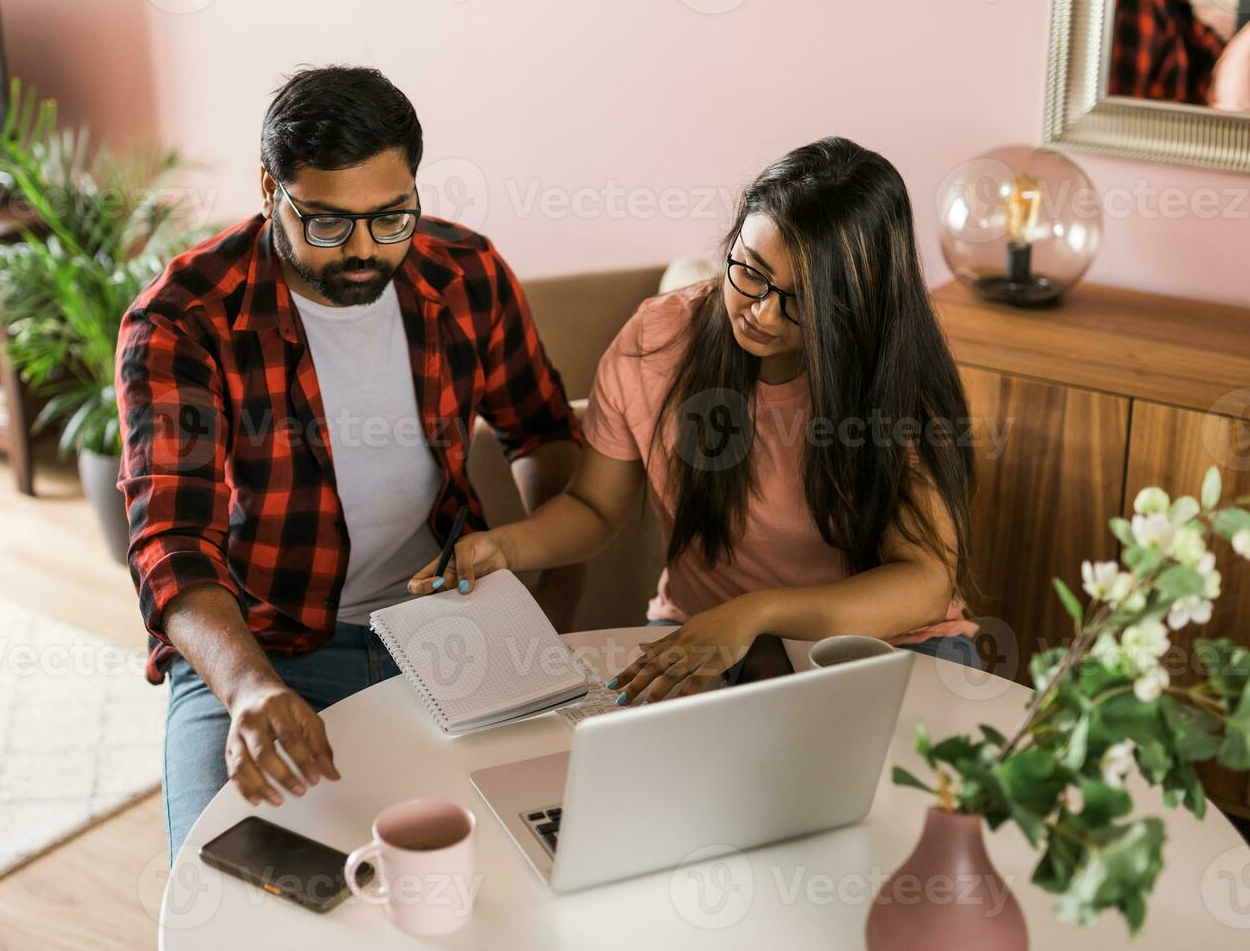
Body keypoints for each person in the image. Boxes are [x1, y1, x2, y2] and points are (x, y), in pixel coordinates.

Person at [115, 66, 583, 861]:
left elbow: (542, 434)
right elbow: (169, 545)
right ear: (270, 190)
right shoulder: (184, 320)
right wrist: (250, 688)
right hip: (263, 649)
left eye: (392, 217)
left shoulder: (463, 274)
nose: (366, 250)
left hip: (448, 625)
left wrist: (543, 607)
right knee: (228, 884)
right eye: (329, 224)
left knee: (537, 853)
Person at [409, 137, 980, 704]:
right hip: (706, 640)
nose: (759, 312)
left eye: (801, 300)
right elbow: (594, 507)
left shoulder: (894, 377)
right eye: (749, 271)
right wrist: (506, 549)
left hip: (886, 644)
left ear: (859, 301)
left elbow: (925, 581)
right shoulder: (658, 342)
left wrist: (758, 613)